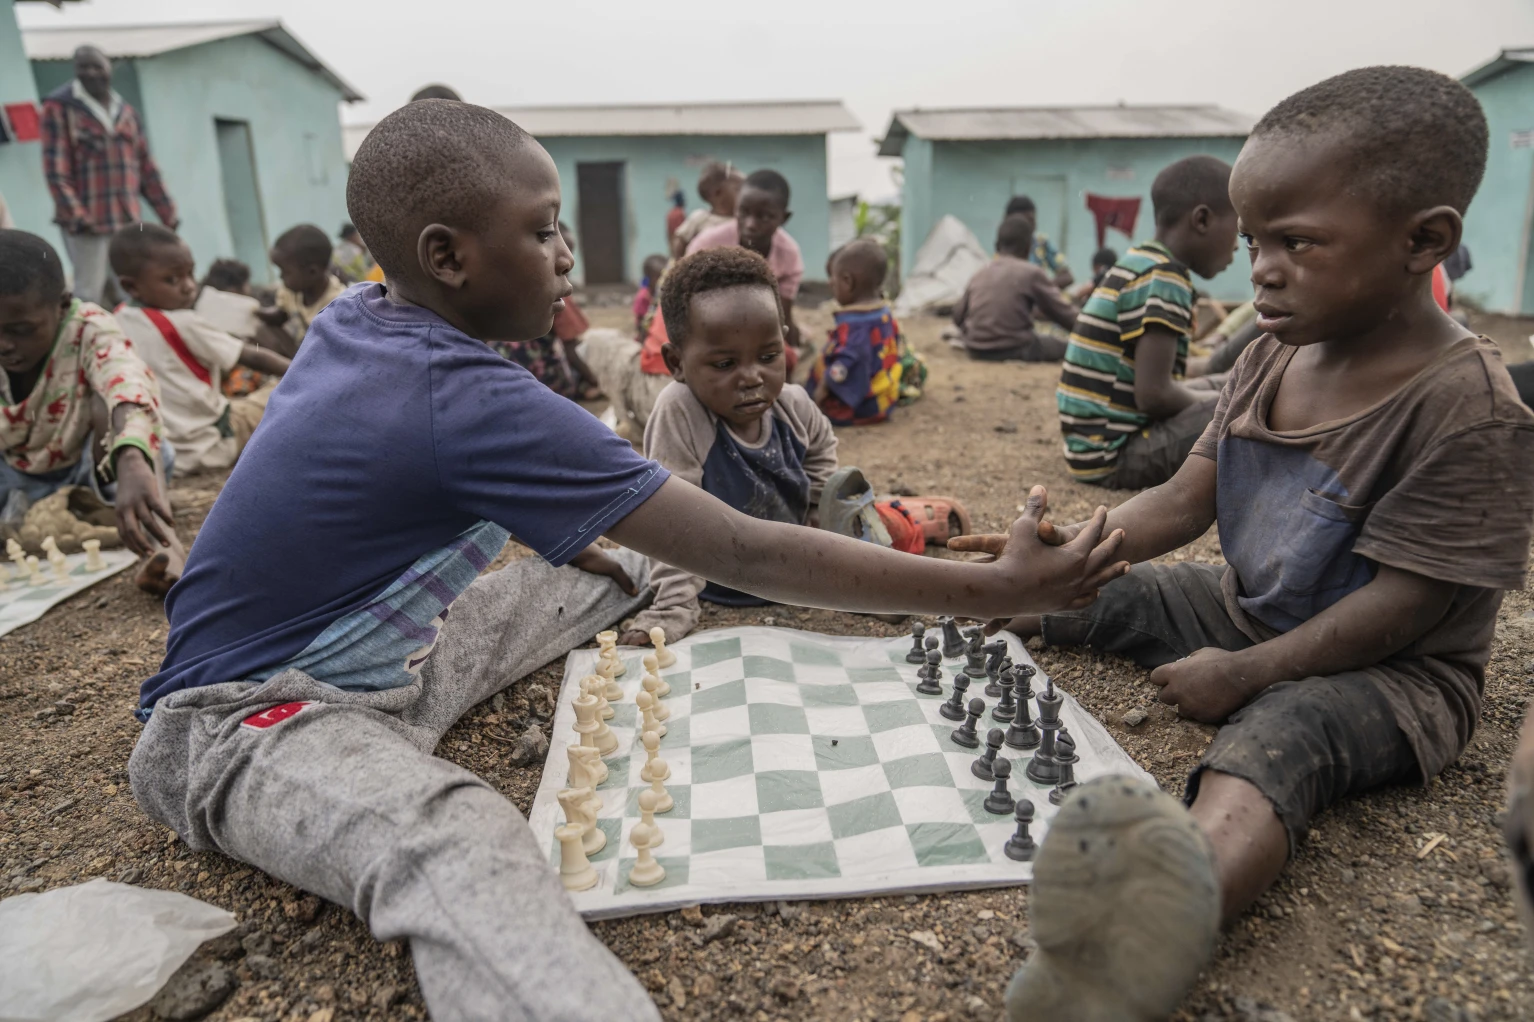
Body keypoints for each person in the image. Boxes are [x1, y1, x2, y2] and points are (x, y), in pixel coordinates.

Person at [125, 100, 1129, 1022]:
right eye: (544, 227)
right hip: (250, 719)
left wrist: (620, 547)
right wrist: (994, 587)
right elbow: (742, 545)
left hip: (397, 662)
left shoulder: (366, 318)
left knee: (623, 567)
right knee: (452, 837)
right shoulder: (464, 396)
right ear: (448, 255)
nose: (565, 252)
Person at [952, 66, 1534, 1022]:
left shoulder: (1470, 410)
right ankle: (947, 606)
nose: (1261, 267)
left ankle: (1158, 920)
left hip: (1395, 672)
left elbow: (1406, 607)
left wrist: (1250, 673)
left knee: (1278, 739)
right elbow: (1185, 499)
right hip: (1243, 603)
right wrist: (1075, 548)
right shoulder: (1273, 350)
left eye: (1297, 243)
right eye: (1255, 239)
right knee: (1103, 593)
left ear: (1422, 240)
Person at [617, 246, 962, 647]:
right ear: (676, 362)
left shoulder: (793, 404)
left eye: (768, 356)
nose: (751, 377)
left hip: (793, 568)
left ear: (784, 344)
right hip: (719, 580)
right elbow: (671, 523)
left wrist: (819, 506)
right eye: (725, 364)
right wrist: (673, 608)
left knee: (885, 532)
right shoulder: (681, 412)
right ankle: (911, 513)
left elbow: (822, 456)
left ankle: (918, 515)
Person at [0, 229, 184, 595]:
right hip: (17, 478)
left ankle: (165, 545)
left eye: (21, 330)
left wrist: (131, 457)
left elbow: (127, 382)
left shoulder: (88, 327)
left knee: (121, 414)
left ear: (62, 304)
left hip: (95, 471)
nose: (5, 345)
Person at [1056, 156, 1239, 490]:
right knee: (1244, 406)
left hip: (1090, 449)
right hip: (1116, 455)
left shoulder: (1142, 260)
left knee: (1230, 386)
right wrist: (1225, 402)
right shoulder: (1165, 277)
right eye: (1238, 227)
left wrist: (1220, 391)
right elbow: (1154, 396)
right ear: (1202, 220)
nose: (1238, 244)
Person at [108, 224, 291, 476]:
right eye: (172, 279)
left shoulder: (115, 321)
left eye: (190, 274)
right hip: (210, 445)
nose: (188, 286)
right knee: (275, 393)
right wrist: (303, 371)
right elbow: (253, 356)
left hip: (167, 452)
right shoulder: (182, 322)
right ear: (131, 287)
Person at [39, 45, 178, 308]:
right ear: (75, 70)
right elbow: (56, 170)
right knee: (89, 293)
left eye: (97, 66)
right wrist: (78, 215)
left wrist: (167, 212)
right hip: (87, 222)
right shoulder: (60, 107)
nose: (91, 73)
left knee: (132, 290)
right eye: (83, 67)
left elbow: (145, 167)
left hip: (126, 220)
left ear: (109, 68)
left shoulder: (125, 112)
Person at [687, 168, 805, 351]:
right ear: (736, 207)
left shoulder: (788, 254)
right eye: (743, 211)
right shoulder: (707, 244)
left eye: (764, 216)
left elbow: (782, 314)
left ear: (784, 218)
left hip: (758, 328)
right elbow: (687, 298)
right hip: (705, 327)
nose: (750, 224)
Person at [953, 215, 1081, 363]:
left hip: (976, 349)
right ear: (1028, 247)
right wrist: (1090, 328)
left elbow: (957, 315)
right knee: (1067, 347)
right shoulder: (1030, 273)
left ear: (996, 246)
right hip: (1015, 348)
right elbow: (1064, 314)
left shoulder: (980, 273)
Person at [807, 239, 904, 423]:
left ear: (848, 282)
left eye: (833, 281)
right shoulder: (883, 313)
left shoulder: (856, 328)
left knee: (811, 398)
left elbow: (844, 366)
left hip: (864, 406)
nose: (830, 285)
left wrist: (823, 387)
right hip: (885, 398)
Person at [257, 224, 346, 356]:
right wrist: (256, 312)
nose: (281, 276)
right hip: (302, 350)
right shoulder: (290, 292)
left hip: (327, 356)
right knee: (263, 330)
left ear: (312, 272)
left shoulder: (338, 303)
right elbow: (281, 316)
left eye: (285, 272)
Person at [670, 161, 743, 257]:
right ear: (718, 193)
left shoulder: (743, 221)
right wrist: (679, 263)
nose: (745, 194)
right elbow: (680, 240)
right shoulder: (700, 218)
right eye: (738, 189)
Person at [1003, 195, 1072, 289]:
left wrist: (1040, 289)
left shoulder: (1040, 243)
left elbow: (1067, 276)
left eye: (1032, 220)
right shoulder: (1004, 247)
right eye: (1025, 221)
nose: (1032, 225)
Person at [632, 253, 669, 337]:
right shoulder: (643, 297)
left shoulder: (663, 292)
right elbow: (640, 322)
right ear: (648, 277)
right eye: (659, 277)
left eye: (665, 276)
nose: (663, 280)